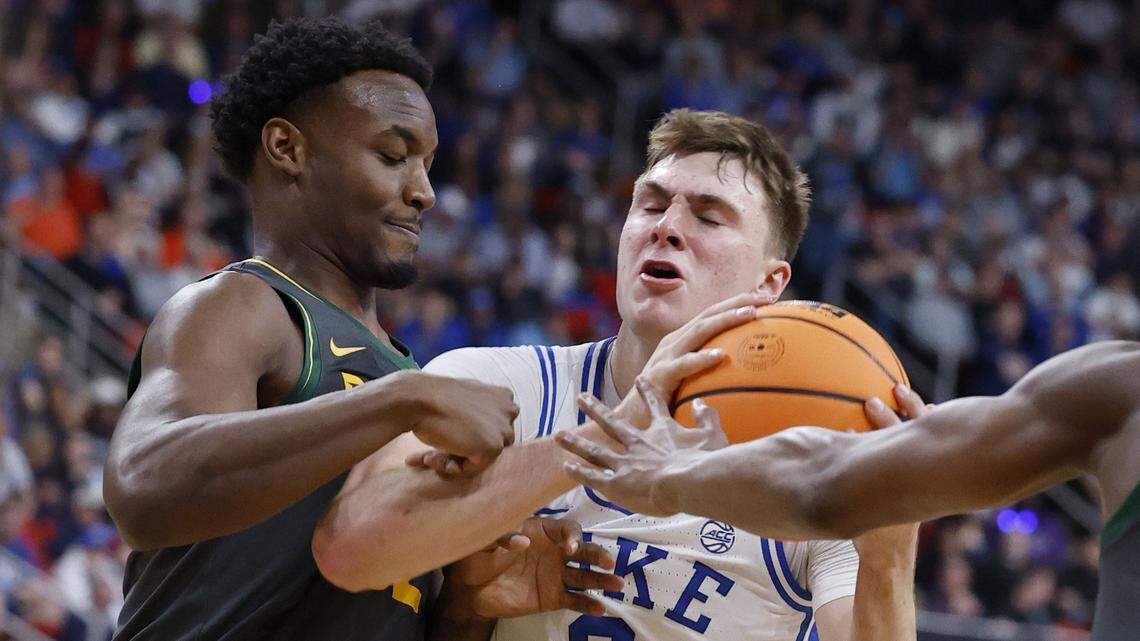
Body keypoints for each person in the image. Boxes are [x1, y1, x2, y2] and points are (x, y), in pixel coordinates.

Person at [315, 109, 920, 640]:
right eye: (652, 204)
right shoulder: (498, 385)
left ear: (769, 284)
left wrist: (891, 553)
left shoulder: (811, 457)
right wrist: (603, 438)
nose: (667, 226)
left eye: (709, 217)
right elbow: (350, 547)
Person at [103, 18, 615, 641]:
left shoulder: (412, 381)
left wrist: (468, 606)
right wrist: (398, 402)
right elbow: (142, 486)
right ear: (288, 148)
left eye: (427, 164)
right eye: (393, 156)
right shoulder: (245, 305)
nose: (424, 191)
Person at [556, 341, 1140, 641]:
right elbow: (826, 478)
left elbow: (824, 481)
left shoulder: (1117, 393)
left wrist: (667, 477)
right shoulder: (1116, 393)